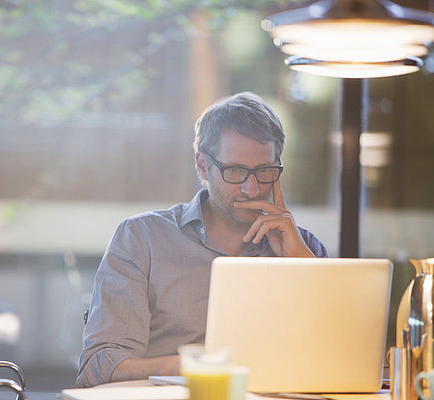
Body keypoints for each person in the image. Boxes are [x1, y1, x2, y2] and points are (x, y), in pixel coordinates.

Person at [76, 92, 328, 388]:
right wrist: (184, 366)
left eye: (265, 171)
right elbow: (96, 368)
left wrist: (301, 266)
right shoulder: (142, 239)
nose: (252, 188)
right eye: (235, 171)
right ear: (201, 165)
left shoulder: (303, 247)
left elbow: (339, 354)